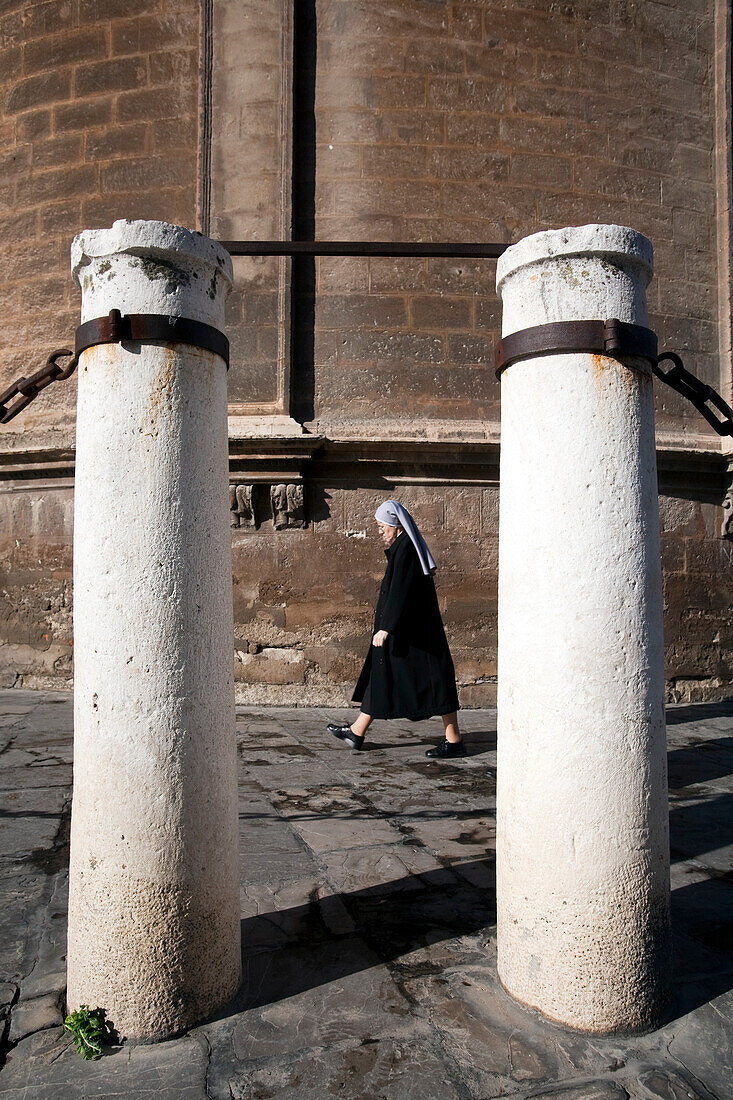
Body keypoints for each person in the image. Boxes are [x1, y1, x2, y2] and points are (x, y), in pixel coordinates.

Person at [327, 500, 465, 759]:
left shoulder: (406, 549)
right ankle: (357, 732)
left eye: (382, 526)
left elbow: (400, 592)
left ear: (396, 524)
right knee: (383, 675)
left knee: (436, 681)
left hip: (412, 634)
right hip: (409, 632)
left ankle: (454, 740)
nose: (379, 531)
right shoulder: (404, 547)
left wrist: (386, 628)